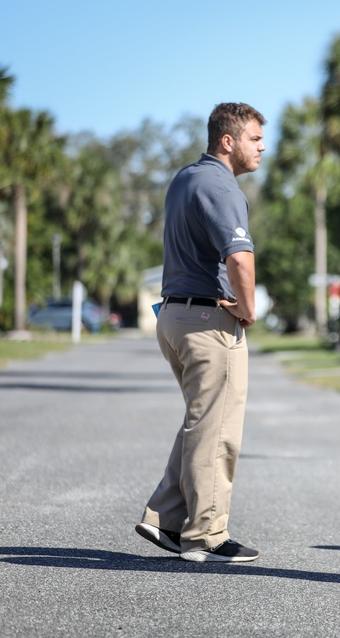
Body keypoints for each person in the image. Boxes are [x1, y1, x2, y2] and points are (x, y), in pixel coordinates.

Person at [135, 102, 265, 563]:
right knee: (218, 430)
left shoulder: (186, 178)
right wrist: (247, 310)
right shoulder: (220, 185)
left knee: (202, 421)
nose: (262, 146)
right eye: (254, 138)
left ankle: (165, 518)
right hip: (209, 321)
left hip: (174, 316)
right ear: (227, 141)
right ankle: (206, 536)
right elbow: (240, 259)